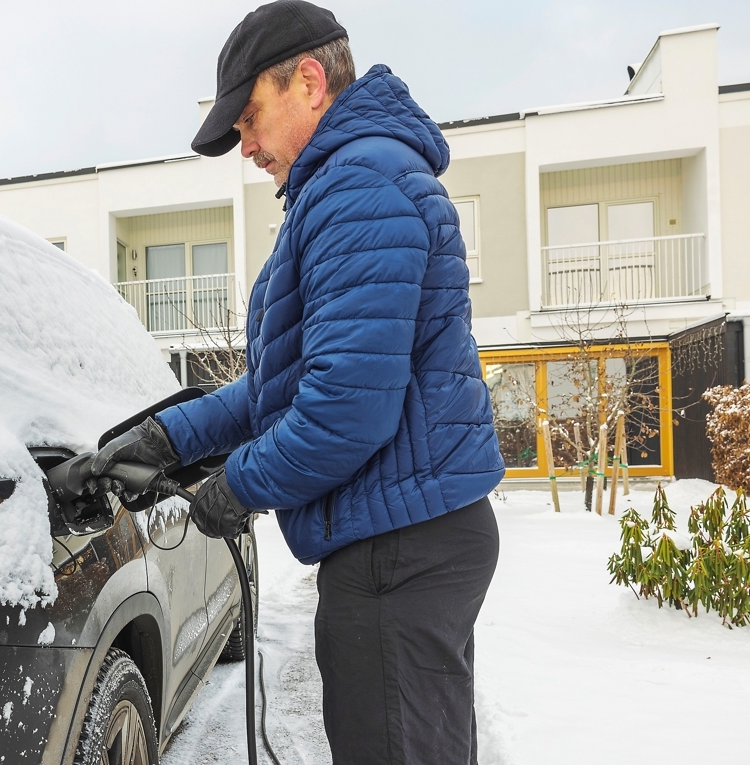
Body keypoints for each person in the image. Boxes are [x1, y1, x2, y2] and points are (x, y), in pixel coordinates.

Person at [92, 1, 506, 762]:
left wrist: (236, 487)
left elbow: (344, 410)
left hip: (398, 552)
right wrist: (167, 437)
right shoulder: (353, 181)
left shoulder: (358, 189)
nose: (246, 146)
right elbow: (279, 387)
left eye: (250, 119)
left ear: (309, 82)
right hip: (409, 536)